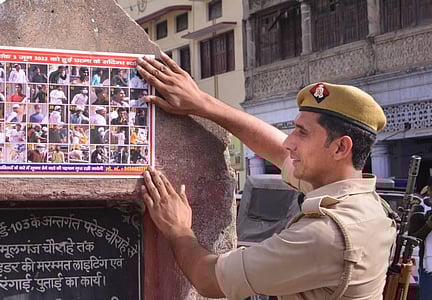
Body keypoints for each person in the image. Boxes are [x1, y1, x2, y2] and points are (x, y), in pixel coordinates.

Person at [136, 53, 396, 299]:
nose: (289, 143)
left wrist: (178, 229)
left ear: (340, 147)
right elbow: (275, 148)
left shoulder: (325, 234)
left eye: (302, 133)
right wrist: (203, 104)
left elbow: (209, 279)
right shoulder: (362, 201)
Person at [410, 177, 432, 300]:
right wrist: (428, 225)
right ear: (429, 190)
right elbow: (413, 237)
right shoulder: (421, 208)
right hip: (429, 268)